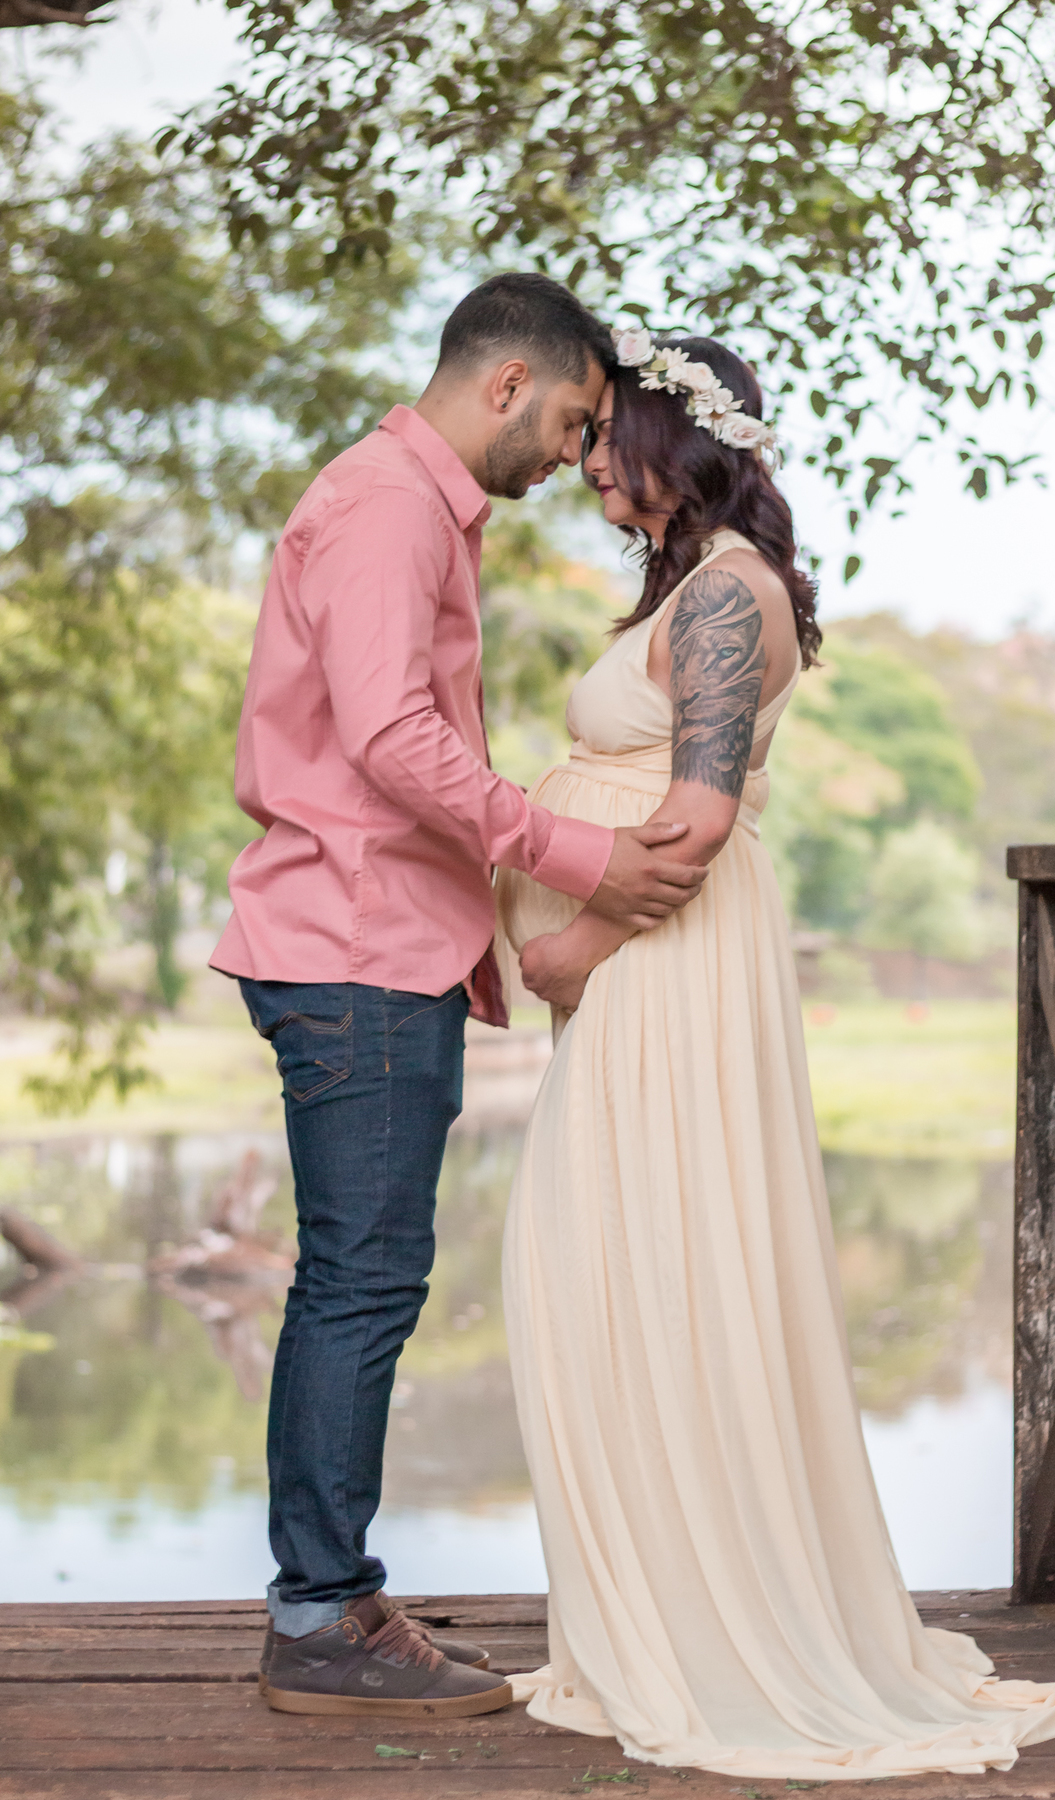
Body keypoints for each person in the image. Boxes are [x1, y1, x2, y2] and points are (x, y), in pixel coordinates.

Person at [496, 329, 1055, 1777]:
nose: (582, 466)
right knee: (625, 1277)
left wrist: (569, 948)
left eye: (600, 438)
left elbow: (696, 818)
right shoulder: (695, 585)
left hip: (660, 959)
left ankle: (707, 1627)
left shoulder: (723, 597)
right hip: (653, 973)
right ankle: (661, 1609)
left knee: (633, 1273)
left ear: (671, 438)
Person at [210, 276, 710, 1720]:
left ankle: (329, 1595)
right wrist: (577, 855)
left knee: (361, 1274)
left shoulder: (408, 506)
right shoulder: (388, 507)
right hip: (353, 948)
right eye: (566, 424)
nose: (571, 461)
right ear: (505, 384)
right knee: (361, 1279)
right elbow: (386, 735)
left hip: (369, 943)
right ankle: (319, 1613)